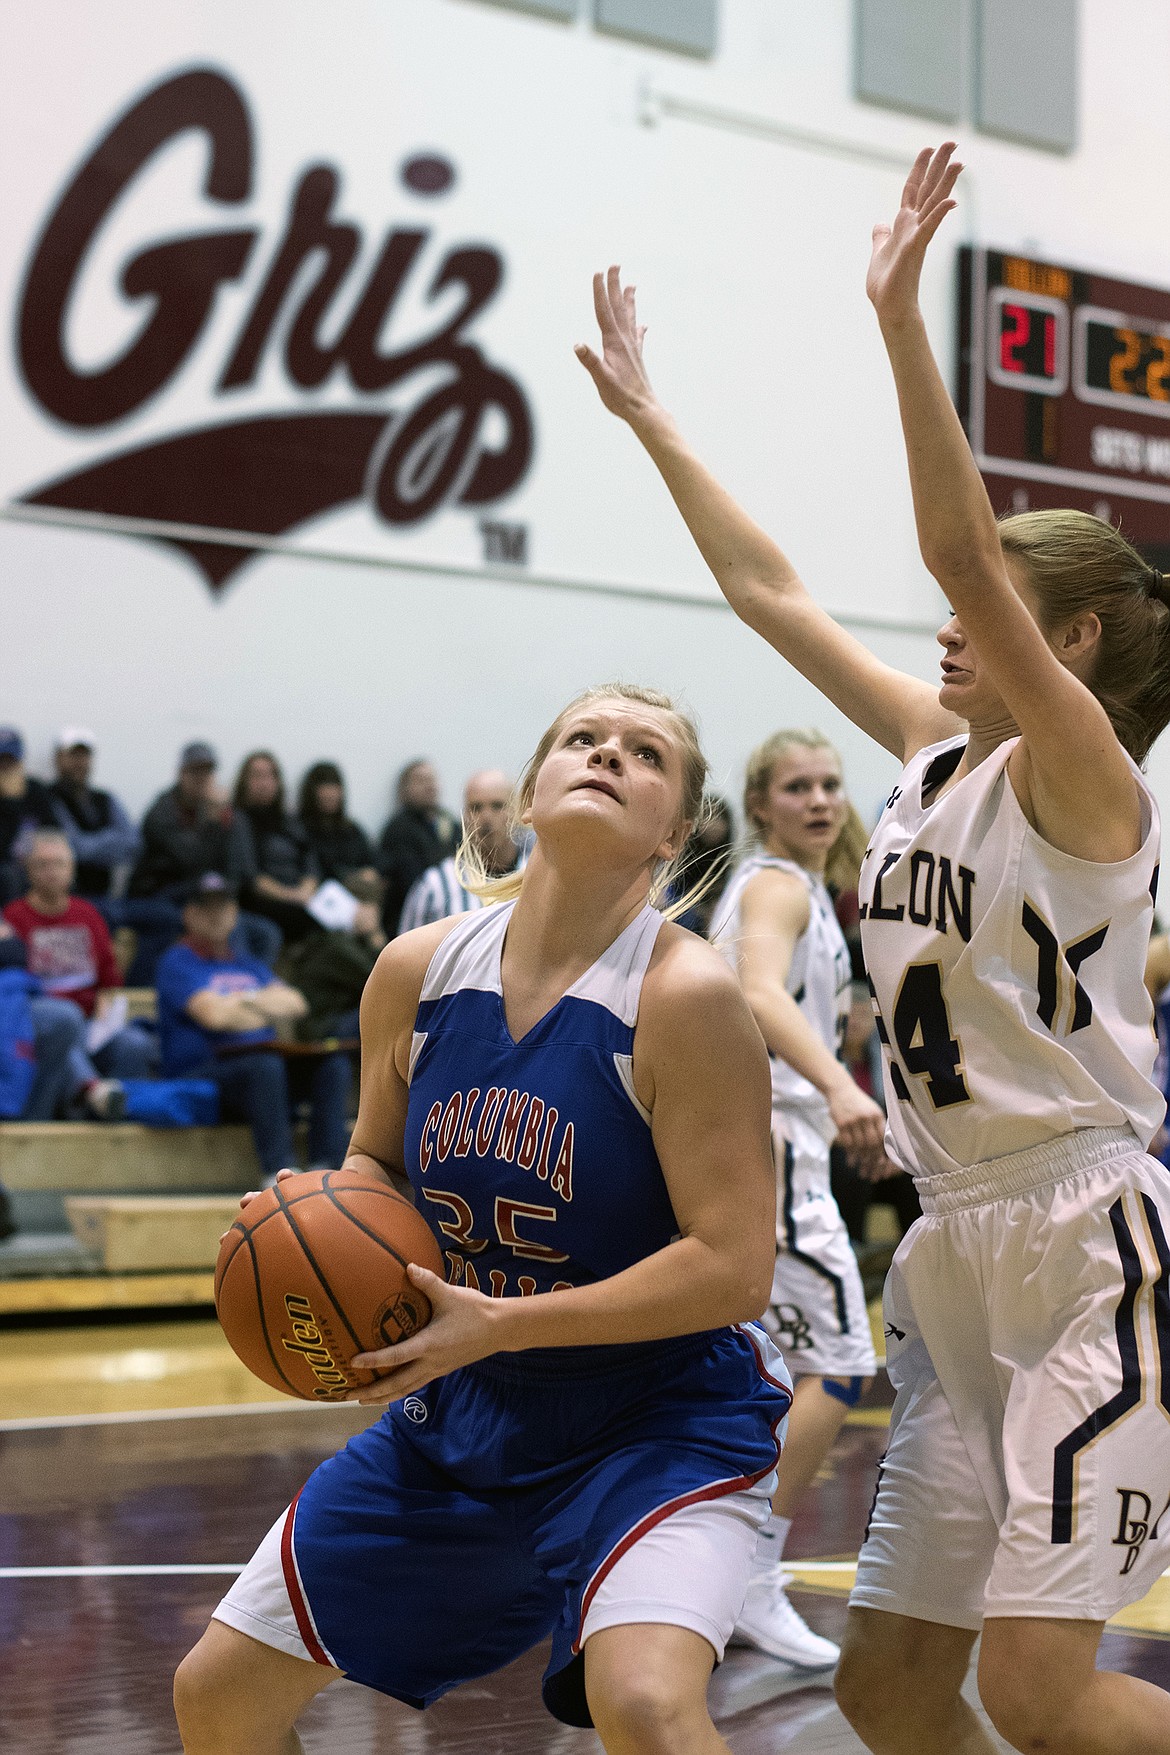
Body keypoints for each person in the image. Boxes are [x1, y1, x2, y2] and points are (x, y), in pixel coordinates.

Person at [576, 148, 1170, 1753]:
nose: (949, 629)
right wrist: (655, 426)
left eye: (996, 609)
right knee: (889, 1685)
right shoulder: (925, 750)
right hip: (954, 1241)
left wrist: (902, 322)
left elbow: (961, 553)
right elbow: (764, 588)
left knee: (1040, 1690)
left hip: (1083, 1242)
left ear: (1079, 641)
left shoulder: (1085, 782)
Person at [174, 683, 793, 1755]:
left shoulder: (685, 996)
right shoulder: (416, 970)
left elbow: (736, 1269)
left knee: (643, 1705)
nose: (607, 755)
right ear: (534, 783)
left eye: (644, 754)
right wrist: (307, 1216)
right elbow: (374, 1162)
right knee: (216, 1695)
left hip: (652, 1423)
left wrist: (500, 1323)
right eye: (583, 739)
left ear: (675, 830)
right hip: (464, 1421)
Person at [708, 730, 882, 1671]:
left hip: (777, 1140)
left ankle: (702, 1567)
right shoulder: (775, 882)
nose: (818, 799)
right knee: (843, 1360)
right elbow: (758, 992)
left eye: (829, 784)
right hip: (769, 1144)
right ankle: (751, 1575)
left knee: (754, 1374)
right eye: (795, 786)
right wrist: (846, 1087)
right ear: (761, 804)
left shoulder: (809, 891)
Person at [155, 876, 351, 1182]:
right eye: (207, 908)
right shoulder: (178, 961)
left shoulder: (246, 963)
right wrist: (264, 1009)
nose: (217, 915)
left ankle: (328, 1167)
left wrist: (240, 1001)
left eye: (224, 907)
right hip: (204, 1071)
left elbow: (296, 1004)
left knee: (331, 1064)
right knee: (266, 1067)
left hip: (261, 1072)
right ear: (189, 915)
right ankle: (278, 1172)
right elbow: (215, 1018)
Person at [3, 829, 155, 1086]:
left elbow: (109, 981)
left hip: (90, 1024)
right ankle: (94, 1095)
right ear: (28, 871)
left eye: (59, 864)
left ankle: (122, 1111)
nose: (52, 871)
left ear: (71, 870)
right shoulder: (12, 918)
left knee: (135, 1044)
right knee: (64, 1029)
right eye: (43, 865)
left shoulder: (88, 915)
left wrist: (106, 1010)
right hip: (37, 1026)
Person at [127, 744, 279, 978]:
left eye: (206, 772)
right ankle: (224, 987)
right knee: (221, 927)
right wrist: (215, 823)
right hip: (162, 895)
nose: (201, 779)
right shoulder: (163, 811)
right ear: (181, 774)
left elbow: (239, 868)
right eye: (194, 771)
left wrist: (225, 821)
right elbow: (191, 861)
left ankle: (255, 988)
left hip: (206, 895)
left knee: (267, 933)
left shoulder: (223, 814)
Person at [398, 768, 526, 931]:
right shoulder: (434, 886)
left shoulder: (537, 876)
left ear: (517, 811)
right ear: (464, 815)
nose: (486, 817)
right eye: (476, 808)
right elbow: (407, 952)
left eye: (497, 806)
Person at [234, 752, 320, 946]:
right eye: (257, 776)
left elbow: (310, 862)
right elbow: (252, 878)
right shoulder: (239, 821)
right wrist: (292, 896)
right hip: (264, 900)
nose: (265, 783)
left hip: (301, 896)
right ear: (244, 782)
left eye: (270, 776)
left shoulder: (290, 820)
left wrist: (306, 890)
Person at [47, 728, 140, 899]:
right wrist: (112, 839)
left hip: (107, 893)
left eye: (84, 756)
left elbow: (133, 843)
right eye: (73, 756)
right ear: (58, 758)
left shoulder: (105, 799)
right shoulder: (49, 798)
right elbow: (75, 848)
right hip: (70, 895)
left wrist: (93, 845)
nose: (79, 763)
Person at [377, 758, 459, 934]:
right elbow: (411, 881)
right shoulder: (398, 830)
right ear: (405, 790)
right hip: (412, 923)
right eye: (421, 781)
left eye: (431, 780)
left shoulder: (449, 823)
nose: (429, 786)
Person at [0, 728, 58, 907]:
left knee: (58, 871)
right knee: (9, 875)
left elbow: (54, 832)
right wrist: (9, 802)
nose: (6, 767)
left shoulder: (36, 790)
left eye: (11, 761)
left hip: (36, 860)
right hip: (6, 867)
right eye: (2, 762)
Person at [296, 762, 377, 887]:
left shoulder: (352, 829)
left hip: (356, 896)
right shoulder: (298, 829)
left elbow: (372, 863)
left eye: (335, 787)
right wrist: (353, 875)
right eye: (325, 787)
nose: (331, 793)